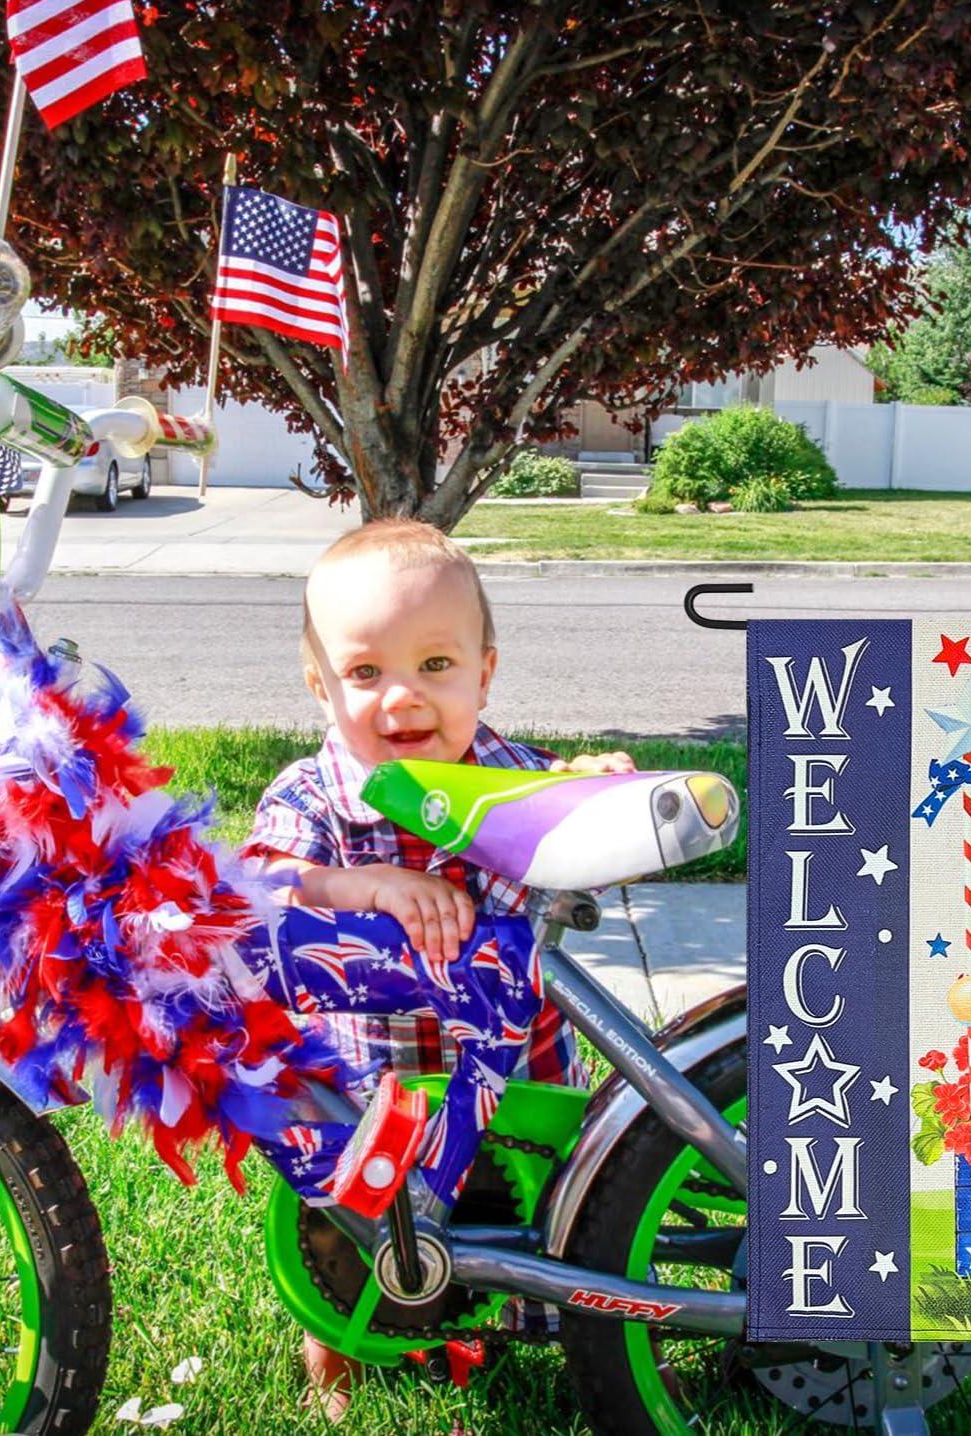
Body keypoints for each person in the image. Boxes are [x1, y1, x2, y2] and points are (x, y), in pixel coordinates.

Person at [243, 518, 633, 1421]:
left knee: (551, 1213)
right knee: (349, 1226)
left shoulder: (511, 781)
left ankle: (555, 1331)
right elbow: (265, 879)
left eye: (435, 665)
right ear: (320, 686)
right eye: (365, 673)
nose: (402, 698)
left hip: (521, 1077)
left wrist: (593, 785)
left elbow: (577, 823)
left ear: (483, 673)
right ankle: (339, 1354)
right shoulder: (313, 796)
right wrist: (367, 885)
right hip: (373, 1083)